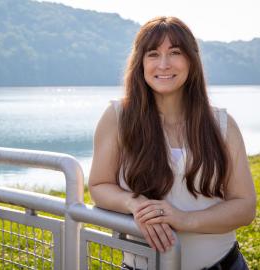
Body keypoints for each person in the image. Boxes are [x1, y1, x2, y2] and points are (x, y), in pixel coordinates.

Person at [88, 16, 256, 270]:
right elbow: (99, 185)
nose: (164, 64)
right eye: (153, 54)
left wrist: (184, 220)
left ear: (191, 60)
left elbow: (244, 207)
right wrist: (135, 204)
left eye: (175, 52)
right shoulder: (117, 117)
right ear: (141, 63)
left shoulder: (223, 124)